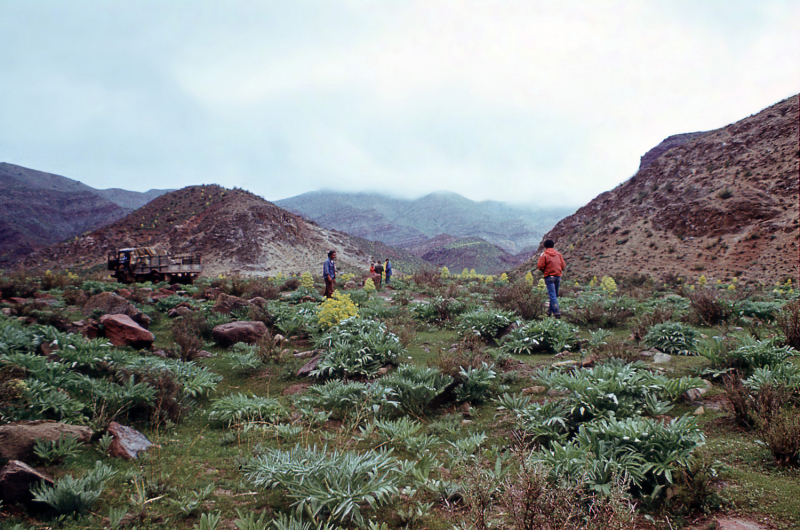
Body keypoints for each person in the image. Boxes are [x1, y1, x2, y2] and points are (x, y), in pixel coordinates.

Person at [537, 239, 566, 318]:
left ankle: (557, 312)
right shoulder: (558, 254)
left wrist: (545, 271)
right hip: (558, 276)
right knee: (554, 295)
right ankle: (549, 312)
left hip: (549, 276)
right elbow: (563, 265)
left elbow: (540, 266)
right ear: (553, 245)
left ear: (544, 246)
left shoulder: (544, 254)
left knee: (552, 295)